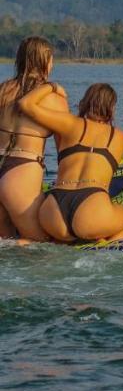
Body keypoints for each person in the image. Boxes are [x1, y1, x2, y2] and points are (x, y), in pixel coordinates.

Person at [19, 83, 123, 243]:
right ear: (112, 108)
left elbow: (25, 104)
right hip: (91, 213)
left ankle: (60, 239)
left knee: (63, 235)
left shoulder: (68, 123)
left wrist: (52, 87)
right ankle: (108, 242)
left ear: (84, 101)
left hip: (53, 213)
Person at [0, 37, 66, 242]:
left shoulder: (3, 90)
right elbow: (64, 149)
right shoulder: (54, 98)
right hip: (21, 172)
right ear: (45, 61)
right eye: (51, 59)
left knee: (6, 246)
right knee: (40, 246)